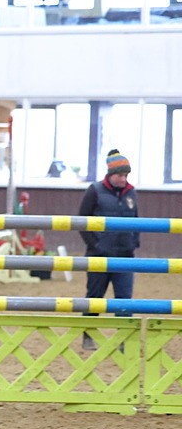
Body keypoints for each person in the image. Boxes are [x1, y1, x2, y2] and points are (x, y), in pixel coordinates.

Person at [78, 149, 139, 350]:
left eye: (126, 175)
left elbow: (136, 220)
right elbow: (82, 221)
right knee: (94, 296)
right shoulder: (94, 190)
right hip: (99, 255)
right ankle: (88, 335)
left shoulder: (131, 192)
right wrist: (95, 245)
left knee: (124, 298)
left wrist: (133, 242)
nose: (124, 179)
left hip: (125, 255)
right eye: (120, 175)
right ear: (111, 174)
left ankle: (124, 339)